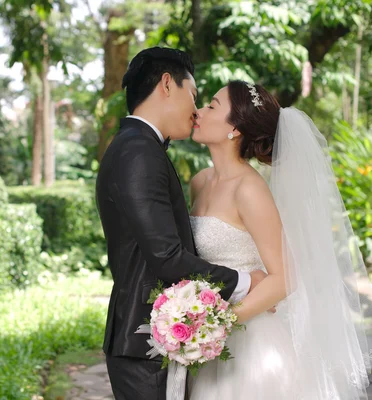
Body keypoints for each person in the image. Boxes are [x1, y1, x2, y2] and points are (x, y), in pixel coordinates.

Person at [187, 80, 372, 399]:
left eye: (211, 105)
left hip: (248, 340)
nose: (198, 111)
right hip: (206, 331)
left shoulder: (249, 190)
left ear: (234, 129)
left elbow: (284, 278)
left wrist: (221, 323)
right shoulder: (200, 182)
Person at [95, 47, 266, 400]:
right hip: (144, 344)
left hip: (153, 340)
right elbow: (168, 256)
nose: (196, 108)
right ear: (167, 84)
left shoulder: (140, 146)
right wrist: (248, 282)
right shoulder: (139, 152)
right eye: (194, 94)